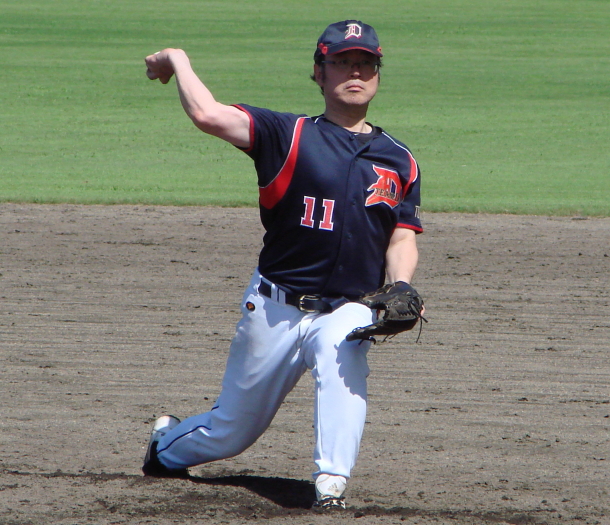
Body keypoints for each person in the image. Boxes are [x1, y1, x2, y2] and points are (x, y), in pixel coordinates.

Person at [141, 20, 423, 511]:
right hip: (275, 307)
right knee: (232, 430)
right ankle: (165, 446)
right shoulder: (286, 135)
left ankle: (331, 487)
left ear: (378, 73)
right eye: (342, 62)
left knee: (343, 350)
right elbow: (207, 114)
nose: (355, 72)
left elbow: (401, 235)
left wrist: (401, 285)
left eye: (365, 63)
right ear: (319, 72)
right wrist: (177, 59)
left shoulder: (399, 160)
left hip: (349, 307)